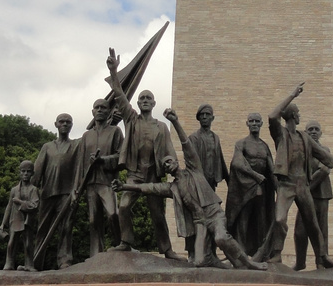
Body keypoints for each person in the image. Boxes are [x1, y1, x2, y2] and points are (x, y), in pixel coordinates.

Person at [113, 108, 267, 270]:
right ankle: (215, 261)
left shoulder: (194, 170)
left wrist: (175, 122)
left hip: (214, 214)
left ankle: (249, 263)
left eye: (170, 161)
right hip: (200, 222)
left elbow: (186, 144)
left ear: (177, 162)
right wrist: (124, 186)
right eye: (165, 164)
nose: (167, 164)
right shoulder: (172, 188)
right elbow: (147, 188)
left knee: (221, 238)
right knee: (199, 262)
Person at [262, 83, 333, 267]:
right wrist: (292, 95)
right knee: (279, 218)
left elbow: (325, 155)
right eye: (297, 113)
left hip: (303, 184)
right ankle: (276, 253)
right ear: (292, 115)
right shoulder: (280, 134)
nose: (299, 116)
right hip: (287, 184)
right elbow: (272, 116)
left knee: (312, 222)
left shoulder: (305, 137)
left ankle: (322, 257)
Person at [106, 48, 183, 260]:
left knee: (158, 215)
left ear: (154, 103)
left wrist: (172, 166)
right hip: (135, 174)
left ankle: (167, 250)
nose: (145, 100)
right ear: (138, 104)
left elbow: (169, 151)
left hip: (154, 175)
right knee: (123, 207)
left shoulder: (161, 127)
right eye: (142, 98)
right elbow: (120, 96)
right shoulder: (131, 119)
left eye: (149, 98)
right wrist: (114, 73)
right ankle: (126, 242)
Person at [74, 98, 123, 258]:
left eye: (103, 107)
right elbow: (80, 164)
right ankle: (96, 255)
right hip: (90, 184)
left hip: (107, 181)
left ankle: (120, 246)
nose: (100, 110)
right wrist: (76, 187)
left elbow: (122, 156)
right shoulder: (86, 136)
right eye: (97, 107)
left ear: (109, 111)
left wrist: (103, 160)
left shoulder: (115, 131)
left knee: (112, 214)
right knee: (94, 220)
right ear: (92, 112)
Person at [225, 112, 276, 258]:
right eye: (251, 121)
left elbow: (271, 168)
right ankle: (240, 251)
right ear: (247, 124)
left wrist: (279, 188)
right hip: (245, 187)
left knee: (262, 219)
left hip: (262, 188)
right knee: (243, 219)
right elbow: (237, 163)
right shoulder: (241, 143)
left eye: (257, 121)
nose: (254, 123)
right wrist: (255, 176)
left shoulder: (265, 146)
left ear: (261, 124)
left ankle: (260, 252)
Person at [32, 114, 80, 270]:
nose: (65, 124)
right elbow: (37, 171)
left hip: (66, 194)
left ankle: (64, 261)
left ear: (72, 125)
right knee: (42, 228)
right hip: (47, 193)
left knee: (66, 229)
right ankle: (35, 261)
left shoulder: (76, 145)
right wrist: (32, 193)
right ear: (56, 124)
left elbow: (93, 131)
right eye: (62, 122)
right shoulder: (47, 146)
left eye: (68, 122)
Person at [185, 104, 230, 266]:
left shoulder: (215, 137)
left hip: (211, 185)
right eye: (201, 114)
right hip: (197, 185)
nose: (204, 117)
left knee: (212, 219)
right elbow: (190, 162)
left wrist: (227, 178)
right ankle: (192, 253)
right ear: (198, 118)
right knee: (196, 218)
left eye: (207, 114)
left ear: (212, 118)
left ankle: (211, 253)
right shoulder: (193, 138)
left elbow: (221, 160)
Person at [293, 121, 333, 271]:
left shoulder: (324, 149)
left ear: (321, 133)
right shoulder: (302, 151)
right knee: (300, 230)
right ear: (305, 132)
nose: (314, 132)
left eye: (317, 129)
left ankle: (321, 262)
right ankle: (300, 262)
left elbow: (325, 170)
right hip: (306, 195)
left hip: (321, 194)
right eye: (310, 129)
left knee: (321, 229)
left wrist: (307, 188)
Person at [0, 160, 39, 271]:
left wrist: (20, 203)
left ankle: (29, 265)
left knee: (28, 244)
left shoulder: (34, 190)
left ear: (32, 173)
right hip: (15, 219)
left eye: (28, 171)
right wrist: (3, 224)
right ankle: (9, 263)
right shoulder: (14, 190)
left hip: (28, 220)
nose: (25, 174)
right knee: (11, 243)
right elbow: (9, 207)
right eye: (23, 171)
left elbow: (35, 205)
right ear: (19, 172)